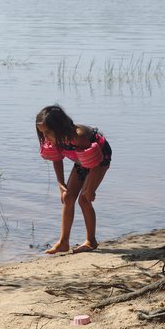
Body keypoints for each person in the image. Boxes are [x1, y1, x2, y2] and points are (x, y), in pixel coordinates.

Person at [36, 104, 112, 254]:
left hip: (99, 160)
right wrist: (60, 183)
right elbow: (56, 158)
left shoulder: (78, 136)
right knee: (68, 197)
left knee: (84, 199)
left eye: (48, 132)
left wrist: (90, 189)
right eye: (42, 133)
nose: (45, 137)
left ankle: (91, 241)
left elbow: (95, 164)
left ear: (59, 127)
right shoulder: (54, 139)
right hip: (82, 161)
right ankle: (63, 242)